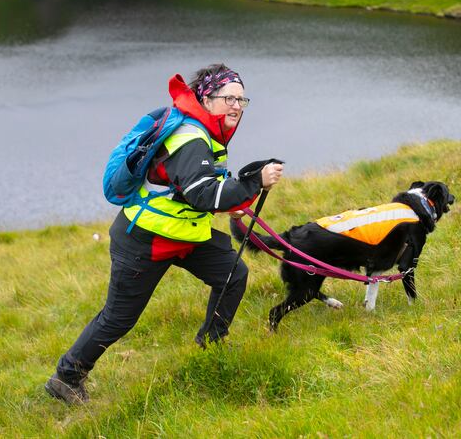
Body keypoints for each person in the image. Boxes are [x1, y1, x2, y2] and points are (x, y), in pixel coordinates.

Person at [45, 64, 284, 404]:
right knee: (119, 318)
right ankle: (66, 377)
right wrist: (253, 182)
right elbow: (203, 195)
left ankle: (212, 345)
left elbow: (194, 187)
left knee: (232, 274)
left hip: (181, 234)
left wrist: (235, 194)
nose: (236, 106)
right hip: (143, 240)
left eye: (241, 99)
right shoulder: (191, 138)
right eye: (228, 98)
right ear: (206, 98)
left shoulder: (203, 130)